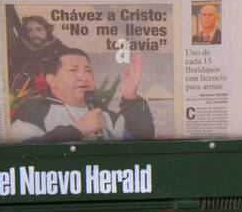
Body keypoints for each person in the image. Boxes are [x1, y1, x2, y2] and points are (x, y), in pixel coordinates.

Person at [10, 49, 155, 143]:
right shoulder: (32, 111)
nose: (83, 77)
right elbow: (25, 153)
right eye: (73, 70)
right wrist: (77, 131)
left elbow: (142, 142)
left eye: (88, 70)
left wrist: (131, 97)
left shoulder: (105, 114)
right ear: (51, 80)